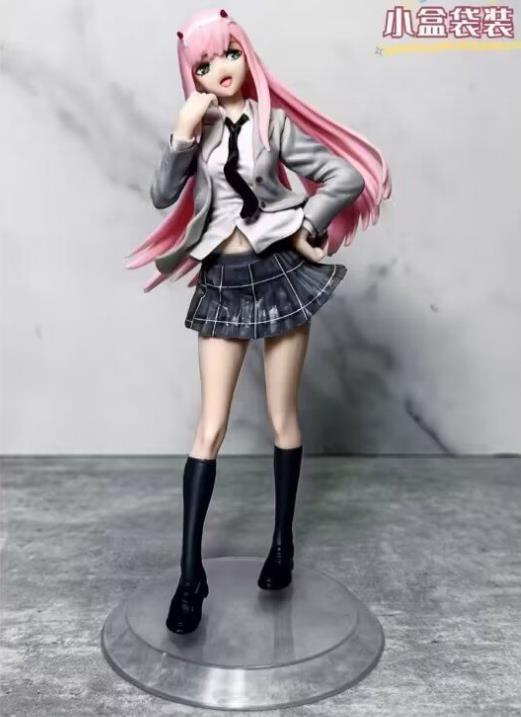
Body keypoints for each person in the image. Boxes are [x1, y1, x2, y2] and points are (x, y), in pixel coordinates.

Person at [126, 7, 391, 634]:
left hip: (278, 274)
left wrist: (305, 225)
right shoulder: (200, 128)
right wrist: (182, 134)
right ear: (193, 74)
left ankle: (281, 544)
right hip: (223, 278)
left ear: (247, 54)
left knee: (282, 416)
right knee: (210, 427)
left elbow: (344, 175)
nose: (221, 68)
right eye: (205, 62)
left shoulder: (273, 122)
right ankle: (190, 577)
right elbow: (162, 196)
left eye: (230, 53)